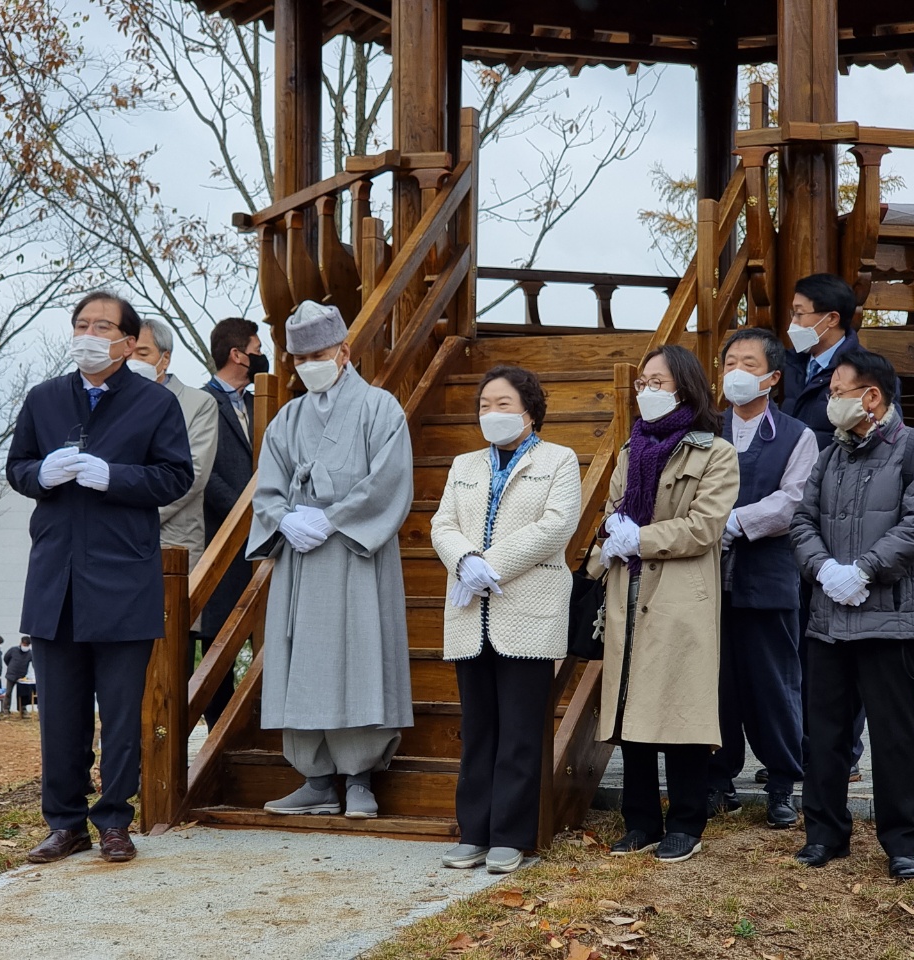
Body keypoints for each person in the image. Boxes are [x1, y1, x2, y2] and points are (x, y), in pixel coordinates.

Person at [6, 290, 194, 864]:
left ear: (128, 341)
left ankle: (114, 819)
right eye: (81, 324)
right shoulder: (44, 399)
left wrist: (113, 476)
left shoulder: (154, 404)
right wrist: (43, 472)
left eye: (102, 326)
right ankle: (65, 823)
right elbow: (16, 468)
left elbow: (174, 477)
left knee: (119, 713)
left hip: (121, 576)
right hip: (55, 578)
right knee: (59, 713)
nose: (90, 334)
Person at [247, 300, 413, 820]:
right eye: (298, 358)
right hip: (302, 556)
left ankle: (360, 776)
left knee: (360, 654)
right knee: (303, 660)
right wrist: (283, 520)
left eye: (318, 353)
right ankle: (316, 778)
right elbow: (267, 490)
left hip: (355, 552)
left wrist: (334, 518)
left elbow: (388, 481)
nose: (308, 365)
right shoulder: (287, 419)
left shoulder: (381, 408)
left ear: (344, 351)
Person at [790, 348, 914, 880]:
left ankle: (903, 841)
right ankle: (825, 834)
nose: (831, 401)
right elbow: (801, 522)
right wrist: (825, 569)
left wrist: (865, 570)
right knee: (824, 732)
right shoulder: (830, 455)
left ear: (871, 396)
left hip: (892, 618)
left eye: (837, 391)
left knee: (894, 733)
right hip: (829, 618)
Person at [591, 344, 739, 863]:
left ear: (684, 386)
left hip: (678, 596)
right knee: (632, 709)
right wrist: (610, 537)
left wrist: (640, 538)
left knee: (679, 711)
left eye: (658, 382)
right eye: (643, 383)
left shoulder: (715, 452)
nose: (646, 391)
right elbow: (612, 509)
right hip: (625, 591)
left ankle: (686, 820)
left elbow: (704, 527)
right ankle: (640, 821)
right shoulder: (631, 451)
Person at [431, 366, 581, 875]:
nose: (490, 414)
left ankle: (510, 835)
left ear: (529, 409)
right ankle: (472, 831)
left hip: (528, 610)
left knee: (519, 730)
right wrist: (464, 560)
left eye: (502, 404)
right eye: (484, 405)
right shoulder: (463, 463)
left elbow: (557, 525)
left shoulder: (558, 460)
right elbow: (442, 522)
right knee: (478, 729)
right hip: (471, 609)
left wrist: (490, 564)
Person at [779, 273, 890, 783]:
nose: (794, 322)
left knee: (847, 642)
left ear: (831, 319)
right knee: (807, 641)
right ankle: (810, 747)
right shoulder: (793, 367)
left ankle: (844, 749)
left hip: (849, 526)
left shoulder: (866, 375)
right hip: (801, 525)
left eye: (802, 313)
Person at [708, 329, 818, 829]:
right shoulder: (705, 429)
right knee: (714, 682)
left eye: (748, 364)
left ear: (773, 377)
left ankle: (781, 784)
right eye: (730, 362)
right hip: (706, 578)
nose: (736, 372)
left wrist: (733, 522)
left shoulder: (798, 435)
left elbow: (793, 500)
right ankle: (716, 777)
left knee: (774, 683)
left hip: (768, 576)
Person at [128, 316, 219, 680]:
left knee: (168, 662)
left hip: (172, 545)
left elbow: (192, 477)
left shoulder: (198, 404)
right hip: (118, 549)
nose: (134, 358)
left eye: (144, 352)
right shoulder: (110, 399)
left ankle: (169, 739)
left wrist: (132, 513)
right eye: (129, 350)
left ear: (164, 359)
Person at [197, 316, 267, 728]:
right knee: (217, 637)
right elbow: (202, 472)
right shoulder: (203, 403)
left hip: (263, 538)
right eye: (257, 350)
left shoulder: (263, 403)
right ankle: (218, 725)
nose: (262, 358)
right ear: (238, 355)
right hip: (221, 536)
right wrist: (244, 511)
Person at [2, 636, 34, 717]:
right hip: (11, 674)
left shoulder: (30, 653)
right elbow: (6, 658)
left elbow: (34, 663)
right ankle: (6, 710)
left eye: (27, 645)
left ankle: (23, 710)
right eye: (24, 644)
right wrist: (10, 666)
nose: (25, 646)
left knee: (23, 694)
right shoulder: (13, 650)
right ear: (21, 643)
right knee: (8, 692)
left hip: (22, 677)